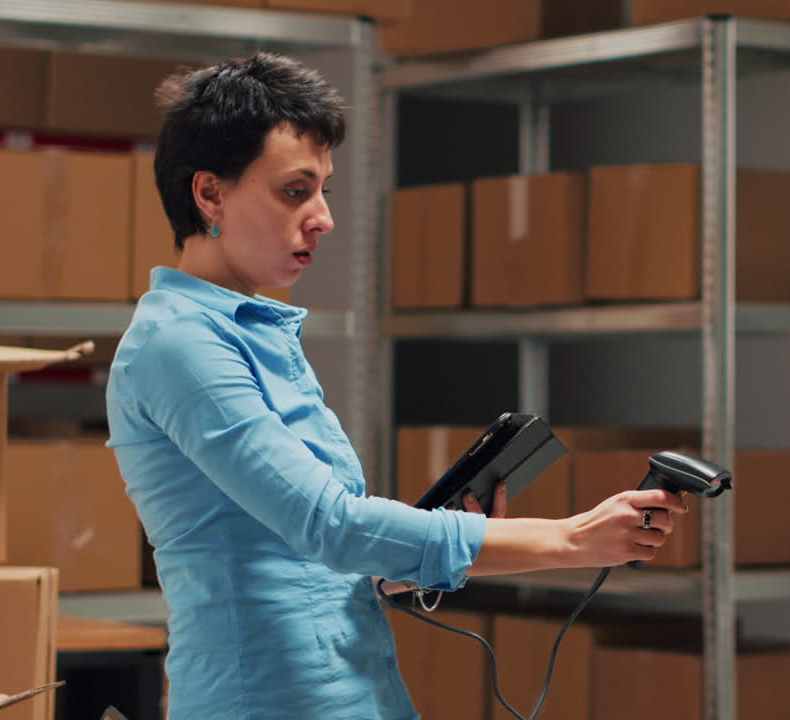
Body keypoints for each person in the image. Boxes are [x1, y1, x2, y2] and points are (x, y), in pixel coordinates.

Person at [105, 52, 688, 720]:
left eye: (324, 189)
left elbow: (321, 554)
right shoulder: (180, 344)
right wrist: (571, 540)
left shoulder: (255, 335)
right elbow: (330, 525)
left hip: (355, 693)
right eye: (296, 191)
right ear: (210, 194)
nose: (322, 216)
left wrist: (424, 552)